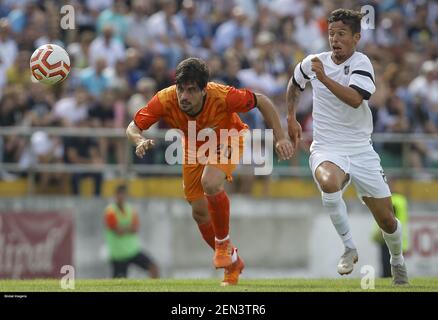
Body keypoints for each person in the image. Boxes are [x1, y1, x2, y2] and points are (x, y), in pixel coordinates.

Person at [126, 57, 293, 286]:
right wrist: (138, 140)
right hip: (194, 146)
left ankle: (223, 245)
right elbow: (133, 127)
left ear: (204, 90)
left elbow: (262, 100)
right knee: (199, 213)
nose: (184, 96)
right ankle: (233, 262)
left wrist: (280, 136)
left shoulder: (223, 96)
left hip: (229, 138)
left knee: (211, 183)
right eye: (181, 89)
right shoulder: (165, 99)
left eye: (191, 90)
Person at [286, 9, 409, 285]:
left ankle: (397, 261)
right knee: (329, 184)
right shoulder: (314, 62)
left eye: (341, 34)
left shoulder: (362, 63)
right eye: (331, 33)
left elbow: (355, 99)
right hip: (327, 147)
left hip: (361, 150)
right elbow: (294, 84)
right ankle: (349, 248)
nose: (335, 39)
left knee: (387, 221)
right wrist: (290, 118)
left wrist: (324, 78)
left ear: (356, 37)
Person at [104, 184, 159, 279]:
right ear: (115, 195)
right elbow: (118, 231)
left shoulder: (130, 209)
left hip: (132, 250)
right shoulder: (110, 211)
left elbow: (135, 228)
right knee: (119, 283)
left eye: (123, 194)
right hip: (119, 254)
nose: (121, 197)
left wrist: (124, 228)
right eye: (119, 194)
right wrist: (128, 227)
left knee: (153, 267)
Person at [372, 181, 409, 278]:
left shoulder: (390, 200)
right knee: (396, 262)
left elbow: (389, 219)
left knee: (387, 263)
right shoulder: (401, 199)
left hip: (387, 235)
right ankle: (398, 278)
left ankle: (390, 278)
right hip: (399, 237)